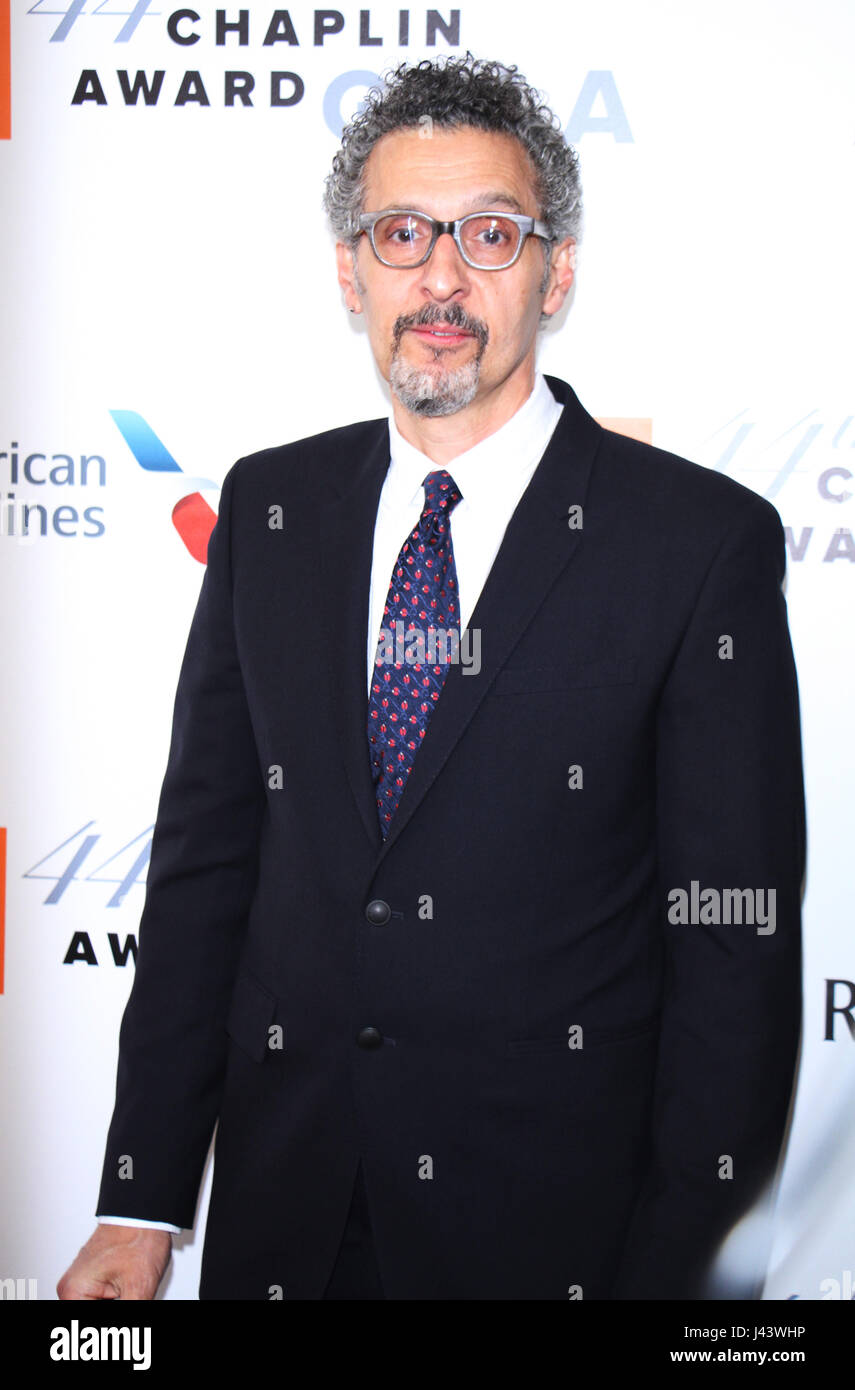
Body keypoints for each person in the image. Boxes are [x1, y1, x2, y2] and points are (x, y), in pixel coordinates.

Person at [58, 52, 805, 1302]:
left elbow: (731, 949)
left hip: (555, 1240)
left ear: (556, 272)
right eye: (402, 234)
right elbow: (204, 875)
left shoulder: (696, 542)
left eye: (491, 235)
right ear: (350, 274)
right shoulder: (269, 506)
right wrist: (139, 1201)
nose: (442, 277)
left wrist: (687, 1282)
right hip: (283, 1221)